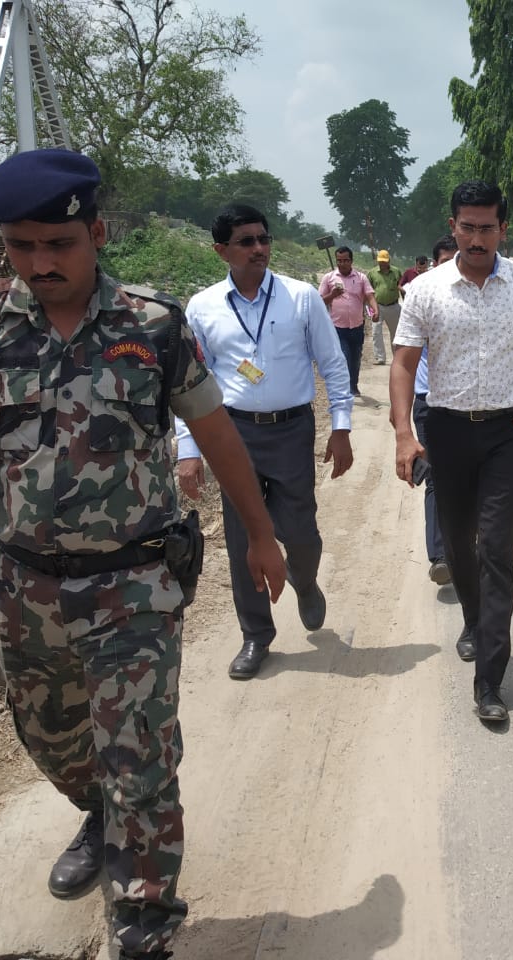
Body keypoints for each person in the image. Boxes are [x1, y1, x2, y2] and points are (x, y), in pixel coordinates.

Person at [0, 149, 286, 960]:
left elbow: (216, 433)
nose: (39, 264)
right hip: (24, 588)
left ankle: (143, 928)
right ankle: (94, 813)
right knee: (53, 741)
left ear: (95, 232)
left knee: (140, 760)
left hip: (133, 585)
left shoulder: (155, 326)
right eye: (21, 248)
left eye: (57, 245)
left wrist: (262, 534)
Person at [389, 180, 513, 723]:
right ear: (453, 226)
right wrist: (405, 433)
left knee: (497, 549)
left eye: (488, 228)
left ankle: (489, 682)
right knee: (457, 545)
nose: (477, 239)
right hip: (447, 430)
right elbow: (404, 363)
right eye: (467, 227)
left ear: (504, 228)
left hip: (506, 432)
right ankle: (474, 621)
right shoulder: (425, 290)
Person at [175, 203, 355, 680]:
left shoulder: (300, 298)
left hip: (292, 430)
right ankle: (257, 635)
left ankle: (306, 577)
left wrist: (341, 428)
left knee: (301, 532)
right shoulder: (202, 306)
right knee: (241, 542)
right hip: (232, 434)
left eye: (263, 239)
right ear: (221, 251)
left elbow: (333, 364)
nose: (259, 248)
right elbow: (189, 385)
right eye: (246, 241)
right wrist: (189, 451)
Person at [412, 234, 459, 587]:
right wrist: (400, 422)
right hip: (429, 402)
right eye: (443, 262)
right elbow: (402, 361)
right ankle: (441, 556)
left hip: (468, 406)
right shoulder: (420, 299)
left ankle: (466, 547)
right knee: (436, 479)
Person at [318, 246, 378, 396]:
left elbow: (369, 296)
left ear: (351, 261)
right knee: (344, 356)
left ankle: (353, 385)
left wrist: (374, 310)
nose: (342, 263)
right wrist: (332, 295)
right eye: (339, 261)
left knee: (355, 358)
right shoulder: (329, 278)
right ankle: (343, 388)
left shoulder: (361, 278)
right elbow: (318, 302)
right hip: (338, 328)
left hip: (357, 326)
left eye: (345, 260)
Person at [368, 248, 404, 364]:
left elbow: (401, 287)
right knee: (376, 332)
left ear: (389, 260)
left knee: (396, 333)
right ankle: (380, 357)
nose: (382, 263)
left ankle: (397, 357)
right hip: (377, 306)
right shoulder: (372, 273)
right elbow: (368, 292)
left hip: (393, 306)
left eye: (384, 261)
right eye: (380, 261)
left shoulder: (396, 271)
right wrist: (370, 310)